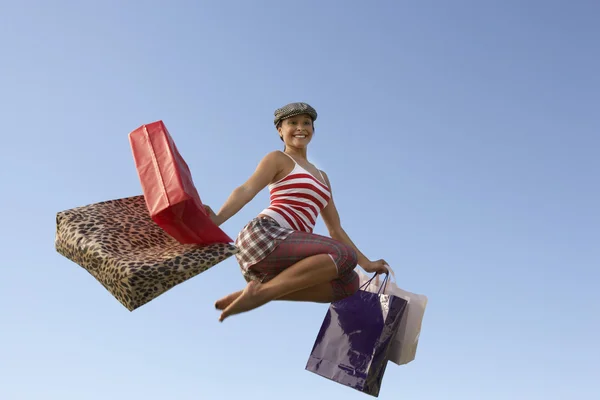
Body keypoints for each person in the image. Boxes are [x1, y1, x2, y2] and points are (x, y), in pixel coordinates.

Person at [205, 102, 389, 322]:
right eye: (292, 123)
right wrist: (216, 219)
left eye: (306, 123)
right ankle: (263, 293)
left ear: (313, 129)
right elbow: (246, 189)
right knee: (343, 255)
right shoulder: (279, 159)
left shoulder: (322, 177)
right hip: (263, 236)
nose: (300, 128)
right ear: (280, 130)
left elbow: (335, 229)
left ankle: (260, 292)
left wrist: (367, 264)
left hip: (284, 259)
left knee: (349, 283)